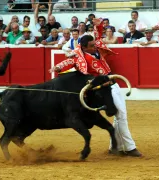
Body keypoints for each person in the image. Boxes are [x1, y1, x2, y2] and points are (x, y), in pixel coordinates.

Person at [51, 18, 142, 157]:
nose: (95, 46)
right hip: (103, 89)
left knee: (119, 116)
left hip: (113, 83)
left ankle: (115, 146)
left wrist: (97, 25)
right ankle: (129, 148)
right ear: (85, 47)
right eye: (92, 45)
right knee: (121, 115)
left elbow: (98, 35)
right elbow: (69, 61)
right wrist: (57, 67)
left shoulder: (96, 49)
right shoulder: (80, 57)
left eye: (94, 44)